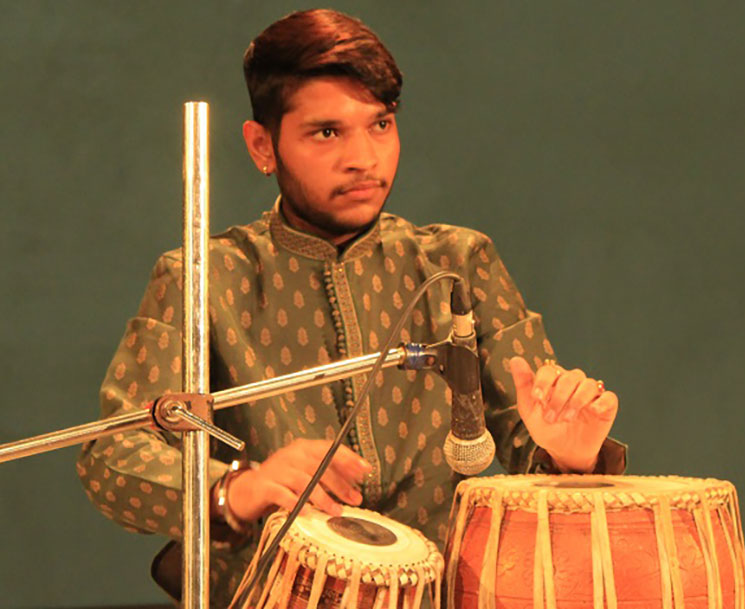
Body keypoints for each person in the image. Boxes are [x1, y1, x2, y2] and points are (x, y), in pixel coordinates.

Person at [77, 8, 626, 607]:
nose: (364, 157)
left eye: (381, 124)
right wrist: (239, 488)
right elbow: (112, 458)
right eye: (327, 133)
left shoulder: (457, 264)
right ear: (262, 146)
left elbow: (535, 448)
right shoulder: (203, 279)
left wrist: (572, 456)